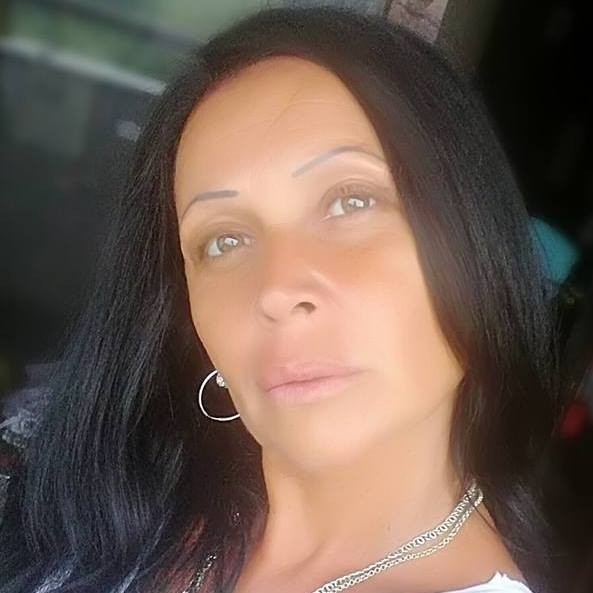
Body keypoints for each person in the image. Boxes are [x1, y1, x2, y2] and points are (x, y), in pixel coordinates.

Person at [0, 6, 566, 593]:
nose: (276, 290)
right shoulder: (101, 503)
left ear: (476, 240)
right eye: (224, 240)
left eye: (351, 201)